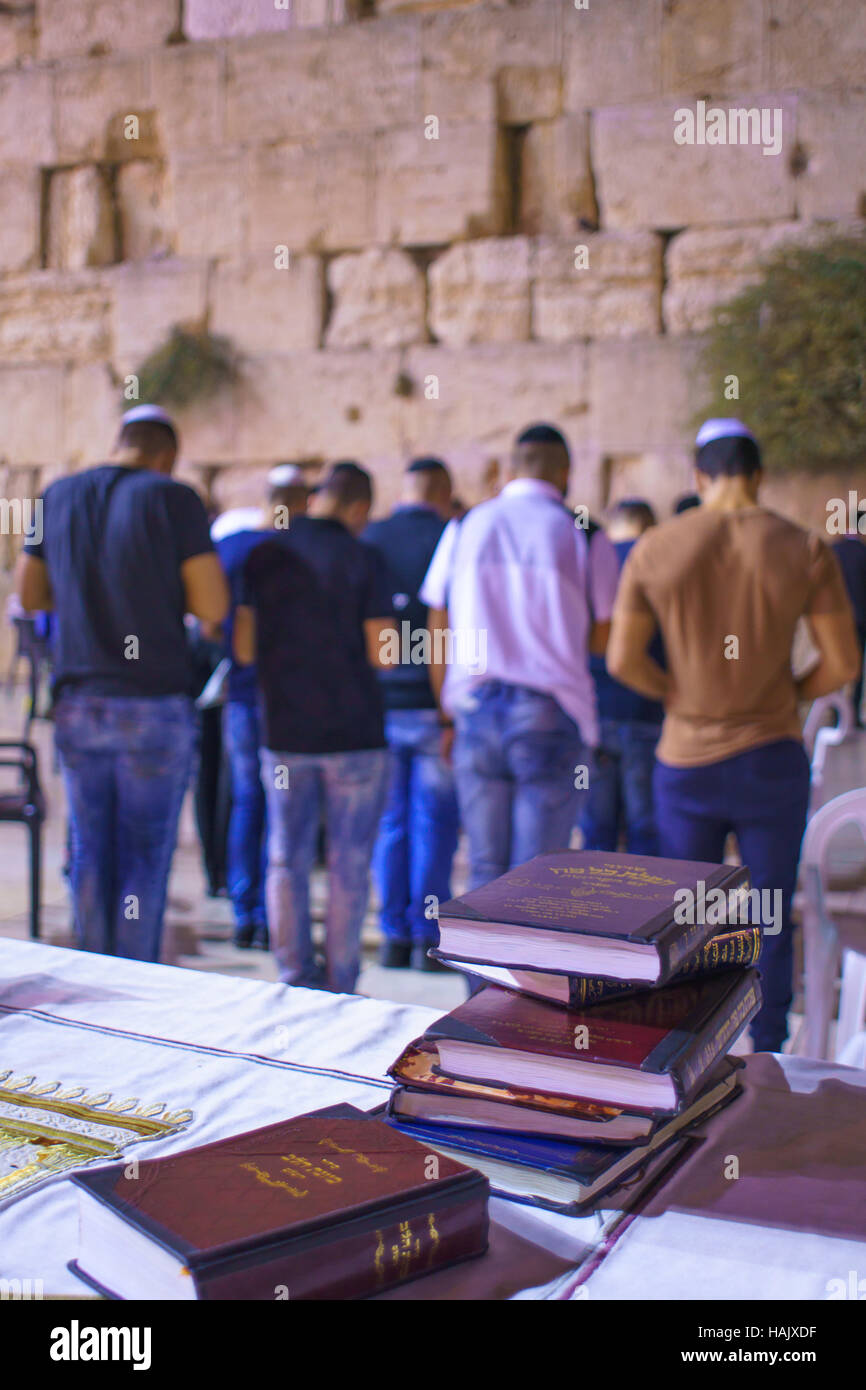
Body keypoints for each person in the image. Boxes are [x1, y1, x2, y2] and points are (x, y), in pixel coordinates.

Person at [607, 418, 860, 1052]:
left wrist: (678, 692)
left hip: (685, 758)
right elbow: (844, 663)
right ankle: (770, 1048)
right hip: (771, 756)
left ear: (699, 476)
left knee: (687, 917)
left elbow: (621, 660)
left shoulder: (657, 548)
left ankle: (686, 1048)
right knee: (771, 911)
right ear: (759, 475)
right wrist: (786, 690)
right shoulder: (802, 547)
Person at [15, 404, 229, 961]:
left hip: (79, 700)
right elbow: (210, 604)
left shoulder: (55, 496)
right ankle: (135, 979)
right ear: (168, 456)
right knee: (144, 855)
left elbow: (30, 594)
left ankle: (92, 971)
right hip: (153, 702)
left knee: (89, 848)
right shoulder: (173, 498)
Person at [421, 422, 619, 889]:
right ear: (566, 472)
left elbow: (437, 625)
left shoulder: (465, 525)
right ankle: (527, 965)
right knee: (535, 881)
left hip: (475, 708)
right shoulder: (585, 533)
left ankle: (476, 966)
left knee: (485, 873)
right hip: (550, 712)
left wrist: (446, 715)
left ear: (511, 468)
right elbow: (603, 636)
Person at [233, 462, 394, 993]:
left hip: (285, 731)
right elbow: (384, 654)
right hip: (356, 734)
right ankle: (342, 982)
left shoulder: (264, 554)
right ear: (359, 508)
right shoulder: (365, 557)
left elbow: (243, 648)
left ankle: (294, 975)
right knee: (349, 864)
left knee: (287, 856)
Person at [363, 457, 460, 970]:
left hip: (380, 700)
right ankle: (428, 937)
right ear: (444, 491)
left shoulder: (372, 536)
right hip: (432, 701)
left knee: (390, 822)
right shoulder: (454, 535)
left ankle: (392, 935)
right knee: (435, 824)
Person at [216, 464, 310, 949]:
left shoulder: (229, 549)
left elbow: (209, 621)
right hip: (287, 700)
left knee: (247, 801)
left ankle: (244, 912)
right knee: (284, 810)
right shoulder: (298, 551)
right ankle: (279, 919)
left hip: (241, 693)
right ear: (300, 501)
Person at [580, 499, 663, 856]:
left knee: (596, 831)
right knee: (645, 829)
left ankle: (595, 910)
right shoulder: (660, 562)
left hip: (594, 714)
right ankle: (644, 912)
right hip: (646, 712)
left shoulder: (591, 560)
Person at [832, 501, 866, 725]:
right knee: (857, 670)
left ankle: (835, 714)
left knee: (835, 664)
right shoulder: (864, 552)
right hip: (861, 620)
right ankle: (852, 715)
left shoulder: (831, 550)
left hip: (833, 620)